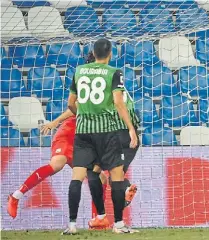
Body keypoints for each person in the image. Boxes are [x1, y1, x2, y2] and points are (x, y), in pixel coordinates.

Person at [63, 38, 137, 235]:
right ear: (110, 53)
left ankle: (71, 225)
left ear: (93, 54)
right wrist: (130, 127)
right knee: (117, 174)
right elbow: (118, 102)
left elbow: (71, 102)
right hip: (106, 131)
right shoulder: (114, 72)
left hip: (83, 132)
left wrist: (82, 115)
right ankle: (119, 224)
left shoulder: (79, 70)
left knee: (78, 177)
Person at [7, 110, 108, 219]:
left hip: (82, 143)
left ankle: (97, 220)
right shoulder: (97, 98)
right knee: (57, 164)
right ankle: (16, 196)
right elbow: (74, 107)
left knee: (100, 178)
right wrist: (55, 122)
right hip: (68, 133)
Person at [85, 51, 141, 230]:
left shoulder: (96, 85)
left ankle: (102, 217)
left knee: (93, 172)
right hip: (131, 135)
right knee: (114, 177)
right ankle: (124, 192)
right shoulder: (116, 78)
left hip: (113, 134)